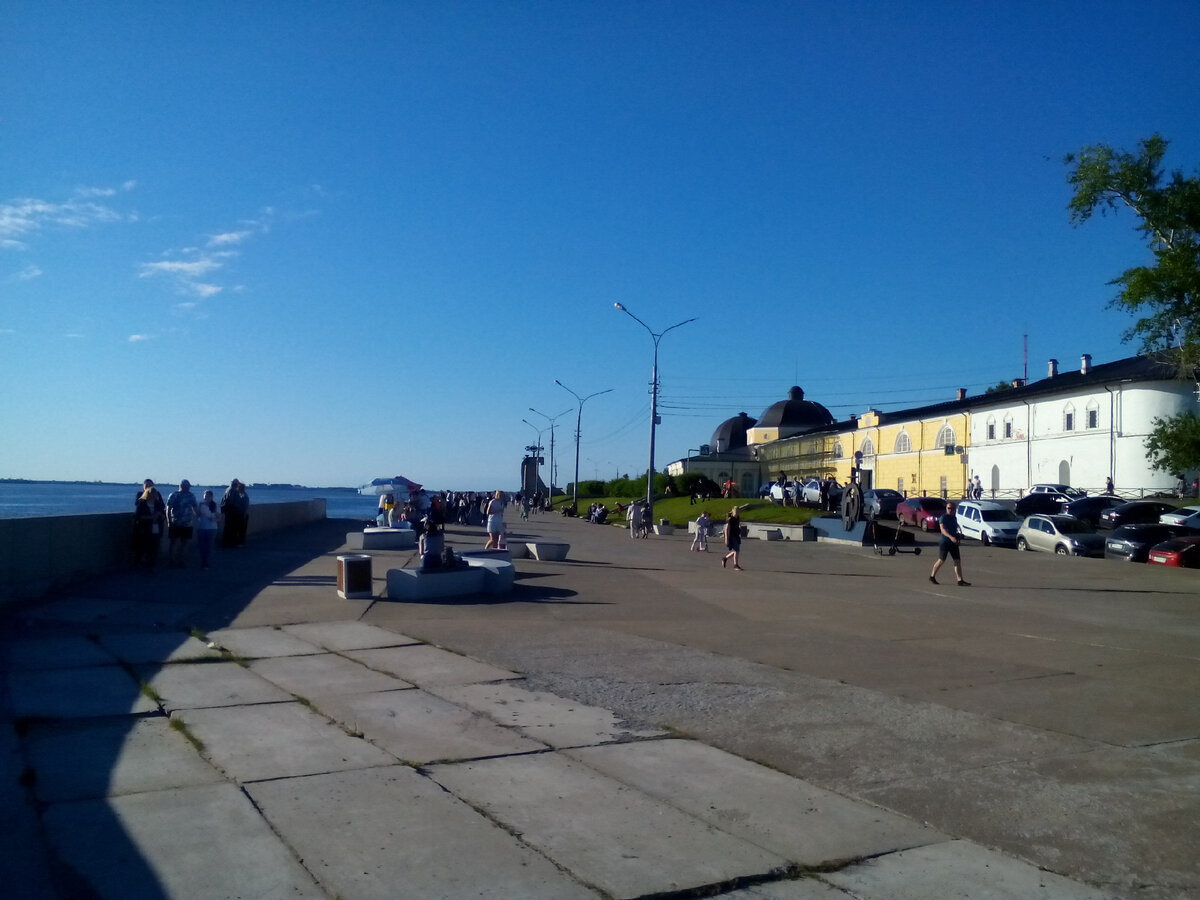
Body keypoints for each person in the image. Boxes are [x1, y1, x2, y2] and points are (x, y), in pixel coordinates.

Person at [930, 500, 969, 586]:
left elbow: (954, 529)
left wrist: (957, 536)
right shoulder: (943, 517)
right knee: (941, 560)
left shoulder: (954, 518)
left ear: (955, 509)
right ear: (946, 509)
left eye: (952, 508)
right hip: (945, 541)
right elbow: (943, 530)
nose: (950, 510)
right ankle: (932, 576)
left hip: (953, 542)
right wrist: (951, 537)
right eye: (949, 508)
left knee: (957, 560)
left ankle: (960, 580)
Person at [132, 479, 166, 570]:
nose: (149, 488)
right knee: (143, 546)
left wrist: (160, 515)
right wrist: (151, 517)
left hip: (155, 527)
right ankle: (140, 563)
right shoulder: (141, 499)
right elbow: (138, 513)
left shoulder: (157, 501)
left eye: (150, 486)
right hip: (144, 528)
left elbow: (162, 508)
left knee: (154, 545)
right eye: (147, 485)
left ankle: (151, 565)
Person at [166, 479, 199, 568]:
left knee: (185, 543)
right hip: (175, 523)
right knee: (174, 543)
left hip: (187, 523)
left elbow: (195, 507)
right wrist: (169, 521)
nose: (188, 488)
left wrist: (199, 515)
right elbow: (168, 508)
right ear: (181, 486)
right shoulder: (174, 495)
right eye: (186, 486)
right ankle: (172, 561)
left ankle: (181, 561)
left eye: (188, 487)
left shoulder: (191, 496)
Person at [195, 489, 220, 569]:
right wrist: (195, 510)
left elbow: (219, 517)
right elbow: (197, 515)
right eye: (205, 496)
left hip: (212, 528)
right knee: (201, 546)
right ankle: (203, 561)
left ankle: (206, 563)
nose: (206, 497)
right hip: (201, 527)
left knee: (209, 546)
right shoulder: (200, 505)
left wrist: (213, 519)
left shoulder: (215, 505)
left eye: (208, 496)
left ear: (211, 497)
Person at [221, 479, 250, 547]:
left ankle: (228, 543)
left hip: (231, 512)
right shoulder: (234, 491)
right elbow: (239, 503)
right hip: (236, 513)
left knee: (230, 528)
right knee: (237, 529)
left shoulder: (228, 490)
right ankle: (234, 543)